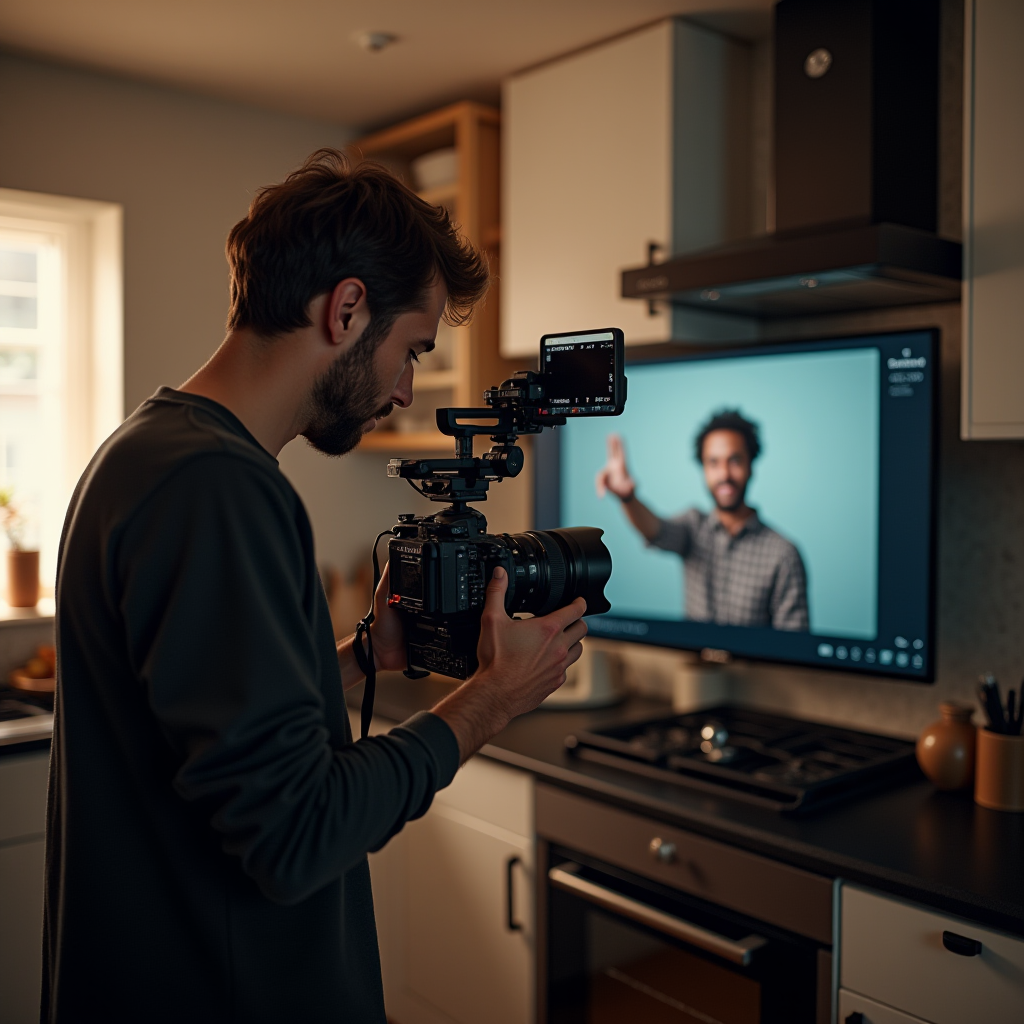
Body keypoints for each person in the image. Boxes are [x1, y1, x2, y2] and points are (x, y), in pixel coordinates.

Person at [43, 150, 588, 1024]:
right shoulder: (220, 489)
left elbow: (200, 727)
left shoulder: (145, 451)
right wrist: (491, 701)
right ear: (346, 309)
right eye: (412, 349)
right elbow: (296, 834)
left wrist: (362, 659)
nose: (406, 390)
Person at [596, 409, 809, 631]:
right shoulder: (693, 528)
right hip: (692, 665)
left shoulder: (783, 554)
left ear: (751, 465)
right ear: (704, 469)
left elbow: (794, 647)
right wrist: (627, 498)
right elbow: (654, 530)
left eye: (735, 460)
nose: (724, 474)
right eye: (713, 462)